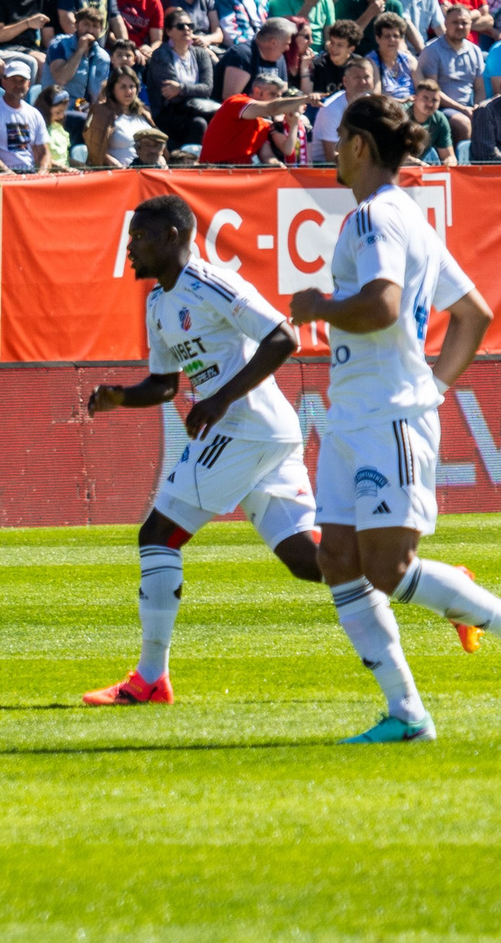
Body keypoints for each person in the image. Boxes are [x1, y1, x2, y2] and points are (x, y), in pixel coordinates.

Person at [288, 93, 501, 742]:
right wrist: (435, 386)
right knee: (340, 560)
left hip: (385, 415)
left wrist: (318, 305)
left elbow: (381, 306)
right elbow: (474, 314)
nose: (330, 151)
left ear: (359, 146)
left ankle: (462, 599)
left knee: (389, 569)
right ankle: (406, 714)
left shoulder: (375, 217)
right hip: (355, 412)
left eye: (339, 139)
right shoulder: (405, 217)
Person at [79, 195, 321, 708]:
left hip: (245, 428)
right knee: (308, 560)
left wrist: (218, 399)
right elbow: (166, 385)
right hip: (259, 433)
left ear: (172, 236)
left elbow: (283, 336)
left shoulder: (209, 283)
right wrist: (120, 397)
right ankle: (431, 583)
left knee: (158, 536)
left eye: (139, 237)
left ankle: (149, 680)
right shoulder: (157, 302)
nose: (130, 248)